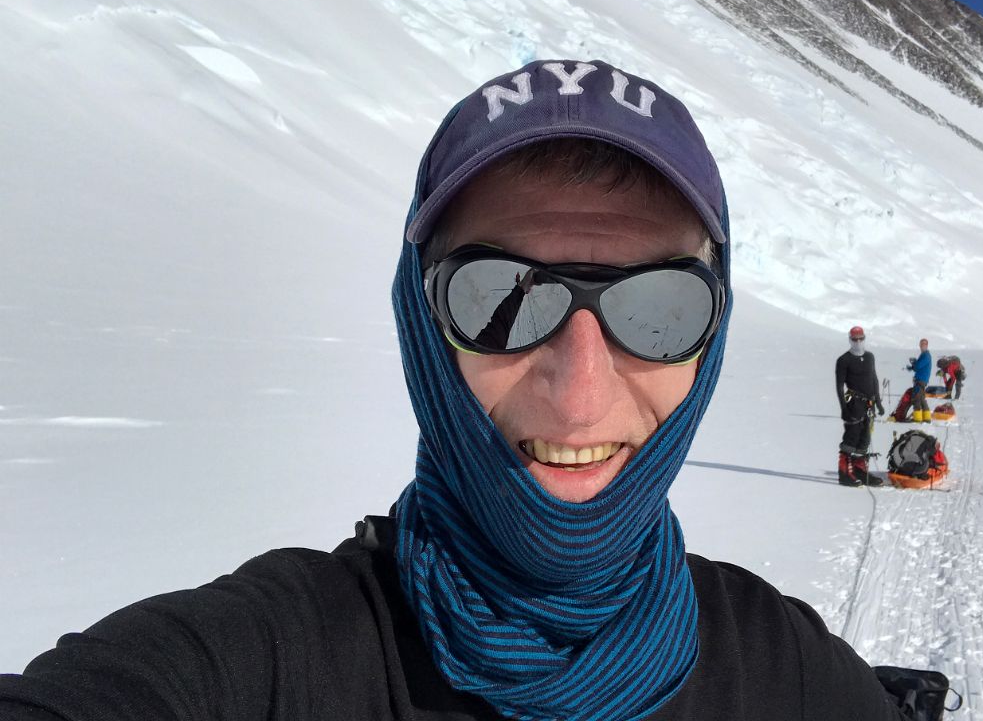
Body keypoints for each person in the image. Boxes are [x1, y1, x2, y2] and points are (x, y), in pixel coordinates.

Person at [0, 60, 905, 719]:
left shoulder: (780, 665)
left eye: (658, 305)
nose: (579, 391)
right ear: (421, 326)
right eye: (500, 298)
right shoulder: (268, 660)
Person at [834, 325, 884, 486]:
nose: (858, 342)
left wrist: (878, 401)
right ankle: (844, 474)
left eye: (860, 339)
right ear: (850, 339)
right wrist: (843, 408)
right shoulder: (843, 360)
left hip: (869, 404)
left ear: (864, 339)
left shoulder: (870, 357)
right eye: (855, 339)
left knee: (865, 438)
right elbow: (839, 385)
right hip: (854, 403)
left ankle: (859, 470)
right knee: (852, 437)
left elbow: (874, 379)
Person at [906, 338, 933, 422]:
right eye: (921, 344)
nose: (922, 346)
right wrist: (913, 366)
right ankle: (927, 418)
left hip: (921, 380)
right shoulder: (924, 355)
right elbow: (918, 366)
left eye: (924, 344)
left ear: (927, 345)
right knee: (921, 399)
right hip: (921, 379)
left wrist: (914, 365)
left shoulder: (926, 355)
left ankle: (917, 418)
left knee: (916, 398)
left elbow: (918, 366)